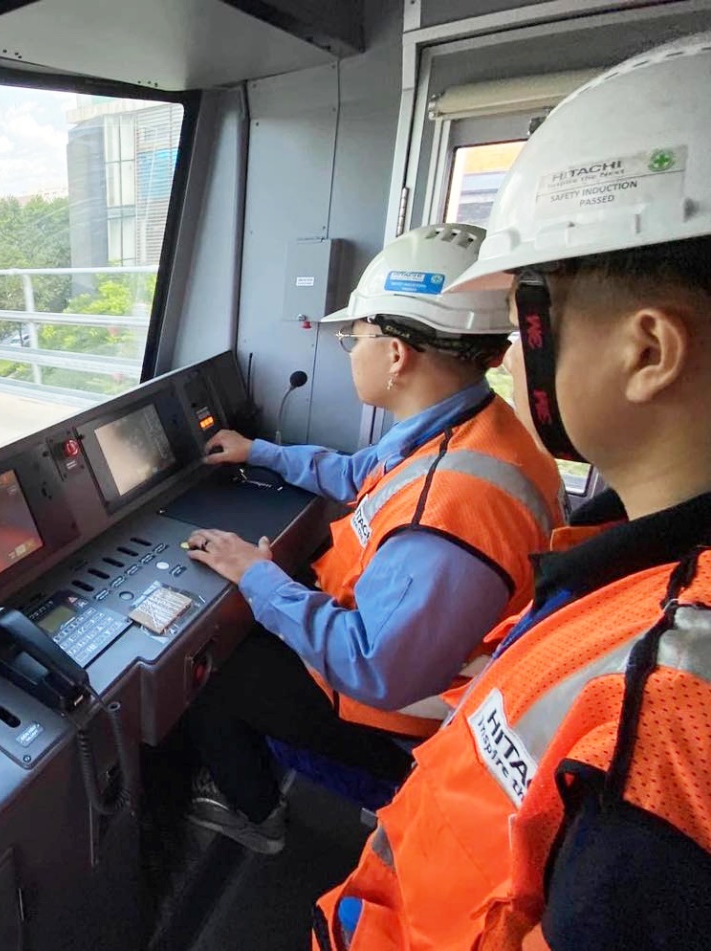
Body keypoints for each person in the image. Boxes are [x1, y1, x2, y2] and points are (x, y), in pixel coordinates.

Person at [315, 33, 711, 950]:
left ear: (647, 350)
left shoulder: (664, 718)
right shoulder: (641, 558)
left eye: (533, 308)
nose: (515, 347)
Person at [182, 223, 565, 854]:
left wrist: (257, 576)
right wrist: (261, 452)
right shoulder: (472, 424)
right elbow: (362, 473)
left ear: (396, 354)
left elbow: (373, 667)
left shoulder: (454, 506)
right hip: (402, 649)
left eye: (353, 336)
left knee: (218, 681)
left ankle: (256, 818)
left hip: (406, 722)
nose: (349, 349)